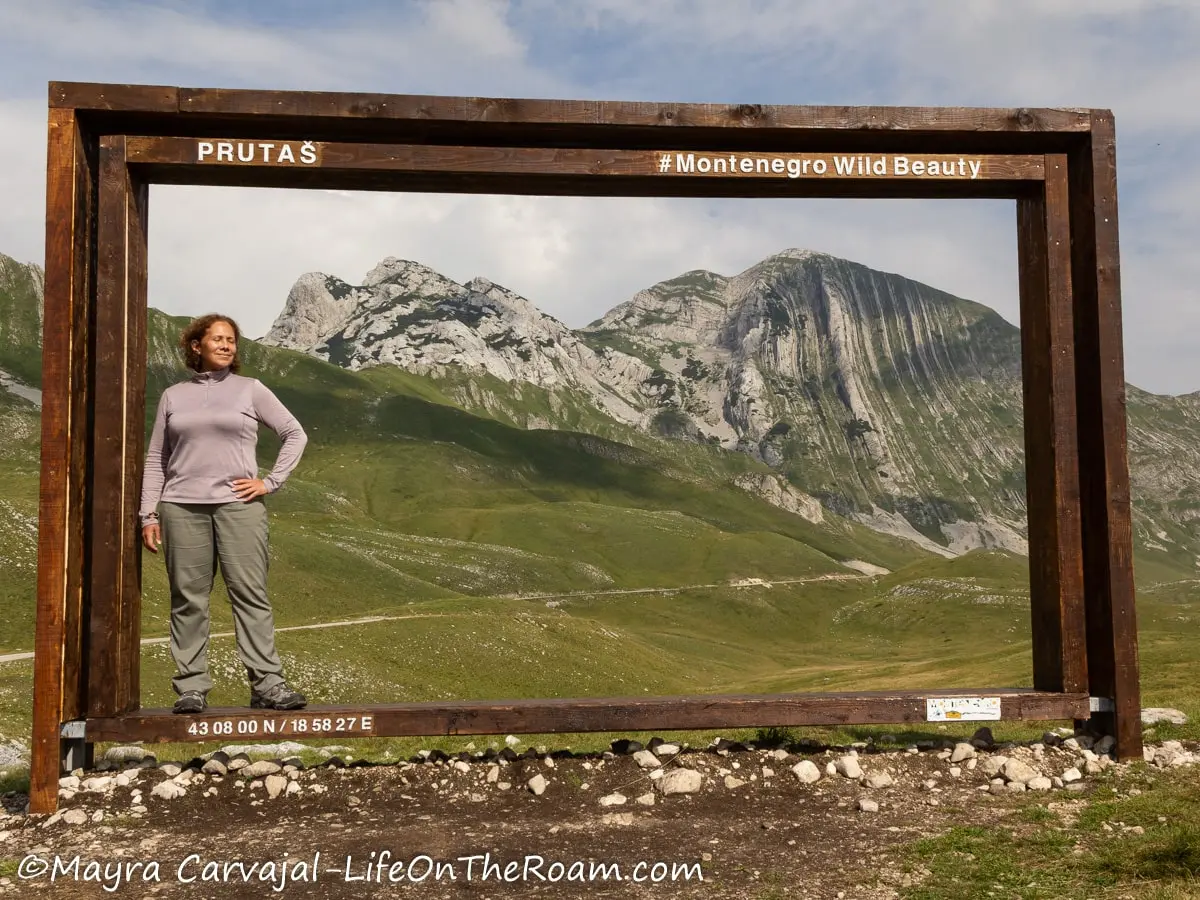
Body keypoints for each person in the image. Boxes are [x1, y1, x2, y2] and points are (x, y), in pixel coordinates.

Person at [138, 313, 309, 714]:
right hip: (181, 507)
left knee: (250, 595)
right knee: (188, 599)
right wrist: (149, 514)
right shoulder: (173, 396)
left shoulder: (251, 390)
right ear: (195, 346)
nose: (227, 345)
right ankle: (191, 688)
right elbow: (155, 460)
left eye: (231, 339)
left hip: (240, 507)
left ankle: (267, 685)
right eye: (217, 338)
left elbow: (294, 433)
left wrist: (270, 482)